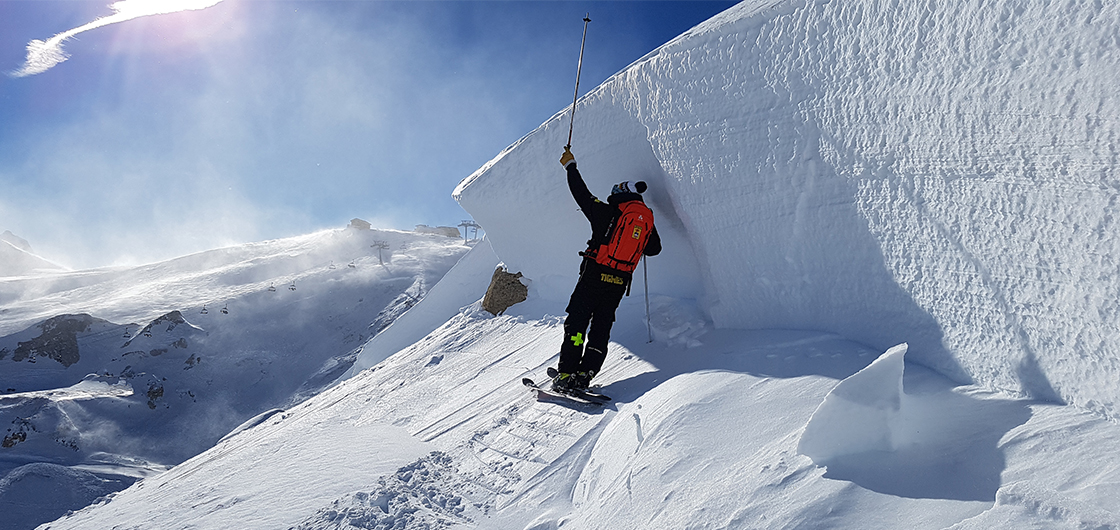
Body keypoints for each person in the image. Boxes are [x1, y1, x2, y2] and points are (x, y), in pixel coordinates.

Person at [553, 146, 661, 393]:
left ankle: (566, 374)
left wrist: (570, 165)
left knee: (578, 324)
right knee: (601, 328)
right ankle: (585, 374)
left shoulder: (606, 212)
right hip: (619, 282)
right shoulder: (646, 220)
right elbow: (654, 249)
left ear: (618, 194)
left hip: (594, 275)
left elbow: (581, 194)